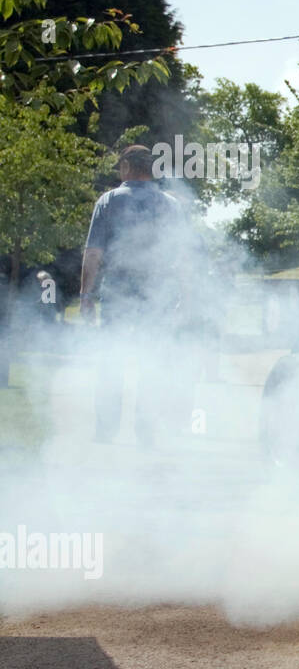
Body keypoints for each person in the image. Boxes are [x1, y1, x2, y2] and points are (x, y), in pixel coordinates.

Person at [80, 145, 202, 445]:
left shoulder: (108, 201)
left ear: (125, 167)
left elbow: (93, 253)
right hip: (157, 293)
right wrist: (187, 298)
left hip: (118, 290)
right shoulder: (171, 205)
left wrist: (86, 296)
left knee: (111, 361)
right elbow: (185, 257)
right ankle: (145, 431)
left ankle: (105, 431)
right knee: (152, 362)